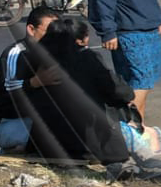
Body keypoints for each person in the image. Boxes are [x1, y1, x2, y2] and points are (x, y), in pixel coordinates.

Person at [24, 15, 133, 165]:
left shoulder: (35, 58)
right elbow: (119, 91)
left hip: (46, 144)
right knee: (111, 102)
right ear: (81, 40)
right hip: (85, 146)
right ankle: (113, 154)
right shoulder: (87, 58)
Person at [0, 7, 59, 151]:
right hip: (4, 122)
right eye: (49, 31)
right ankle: (11, 150)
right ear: (31, 30)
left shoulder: (52, 53)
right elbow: (6, 94)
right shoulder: (16, 53)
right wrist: (34, 83)